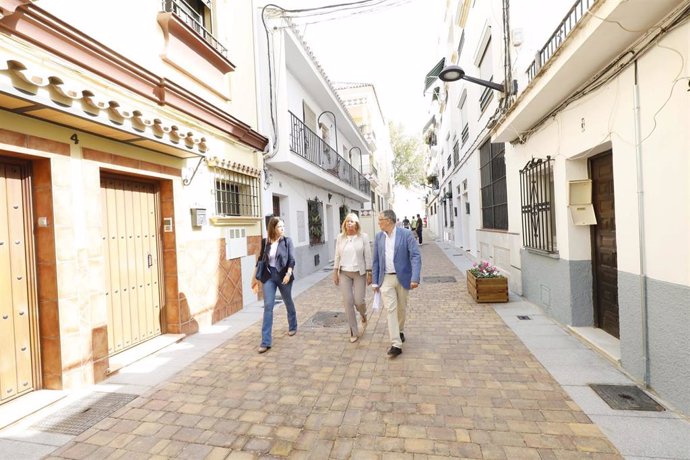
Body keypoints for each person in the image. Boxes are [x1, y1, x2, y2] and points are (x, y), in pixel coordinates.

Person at [372, 210, 421, 358]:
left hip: (403, 277)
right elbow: (375, 261)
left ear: (389, 220)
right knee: (390, 310)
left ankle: (399, 331)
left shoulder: (405, 234)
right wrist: (375, 281)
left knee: (401, 308)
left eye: (380, 220)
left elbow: (415, 256)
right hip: (386, 278)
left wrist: (415, 277)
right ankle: (396, 344)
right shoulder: (379, 237)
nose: (379, 222)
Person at [252, 217, 297, 353]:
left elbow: (292, 260)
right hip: (269, 276)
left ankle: (293, 325)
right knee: (268, 306)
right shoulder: (266, 242)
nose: (282, 229)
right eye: (279, 227)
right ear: (273, 228)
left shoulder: (287, 241)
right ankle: (265, 341)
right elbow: (260, 260)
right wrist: (253, 278)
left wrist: (288, 274)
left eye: (283, 226)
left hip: (284, 276)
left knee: (288, 301)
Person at [333, 213, 372, 343]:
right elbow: (337, 256)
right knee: (348, 302)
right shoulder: (340, 237)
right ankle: (353, 331)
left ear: (357, 224)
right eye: (347, 221)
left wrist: (369, 272)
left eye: (352, 221)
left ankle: (363, 315)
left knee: (359, 301)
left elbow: (367, 255)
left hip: (359, 272)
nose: (349, 223)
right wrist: (335, 271)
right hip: (344, 272)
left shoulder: (363, 237)